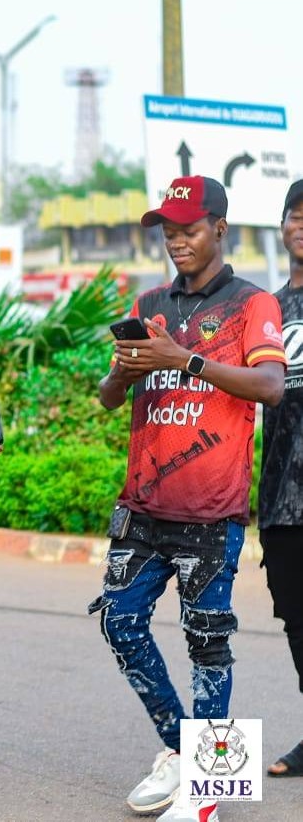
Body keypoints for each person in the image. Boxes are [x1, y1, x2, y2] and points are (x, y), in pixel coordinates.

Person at [89, 175, 285, 822]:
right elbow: (108, 399)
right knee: (119, 624)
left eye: (189, 229)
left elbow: (268, 386)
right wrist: (123, 368)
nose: (176, 241)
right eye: (168, 231)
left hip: (210, 513)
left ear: (219, 229)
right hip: (141, 508)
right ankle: (186, 753)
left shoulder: (251, 304)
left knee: (207, 644)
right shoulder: (149, 301)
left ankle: (205, 795)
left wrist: (186, 359)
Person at [259, 178, 303, 779]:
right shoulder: (268, 309)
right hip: (281, 496)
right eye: (295, 215)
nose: (301, 225)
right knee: (297, 618)